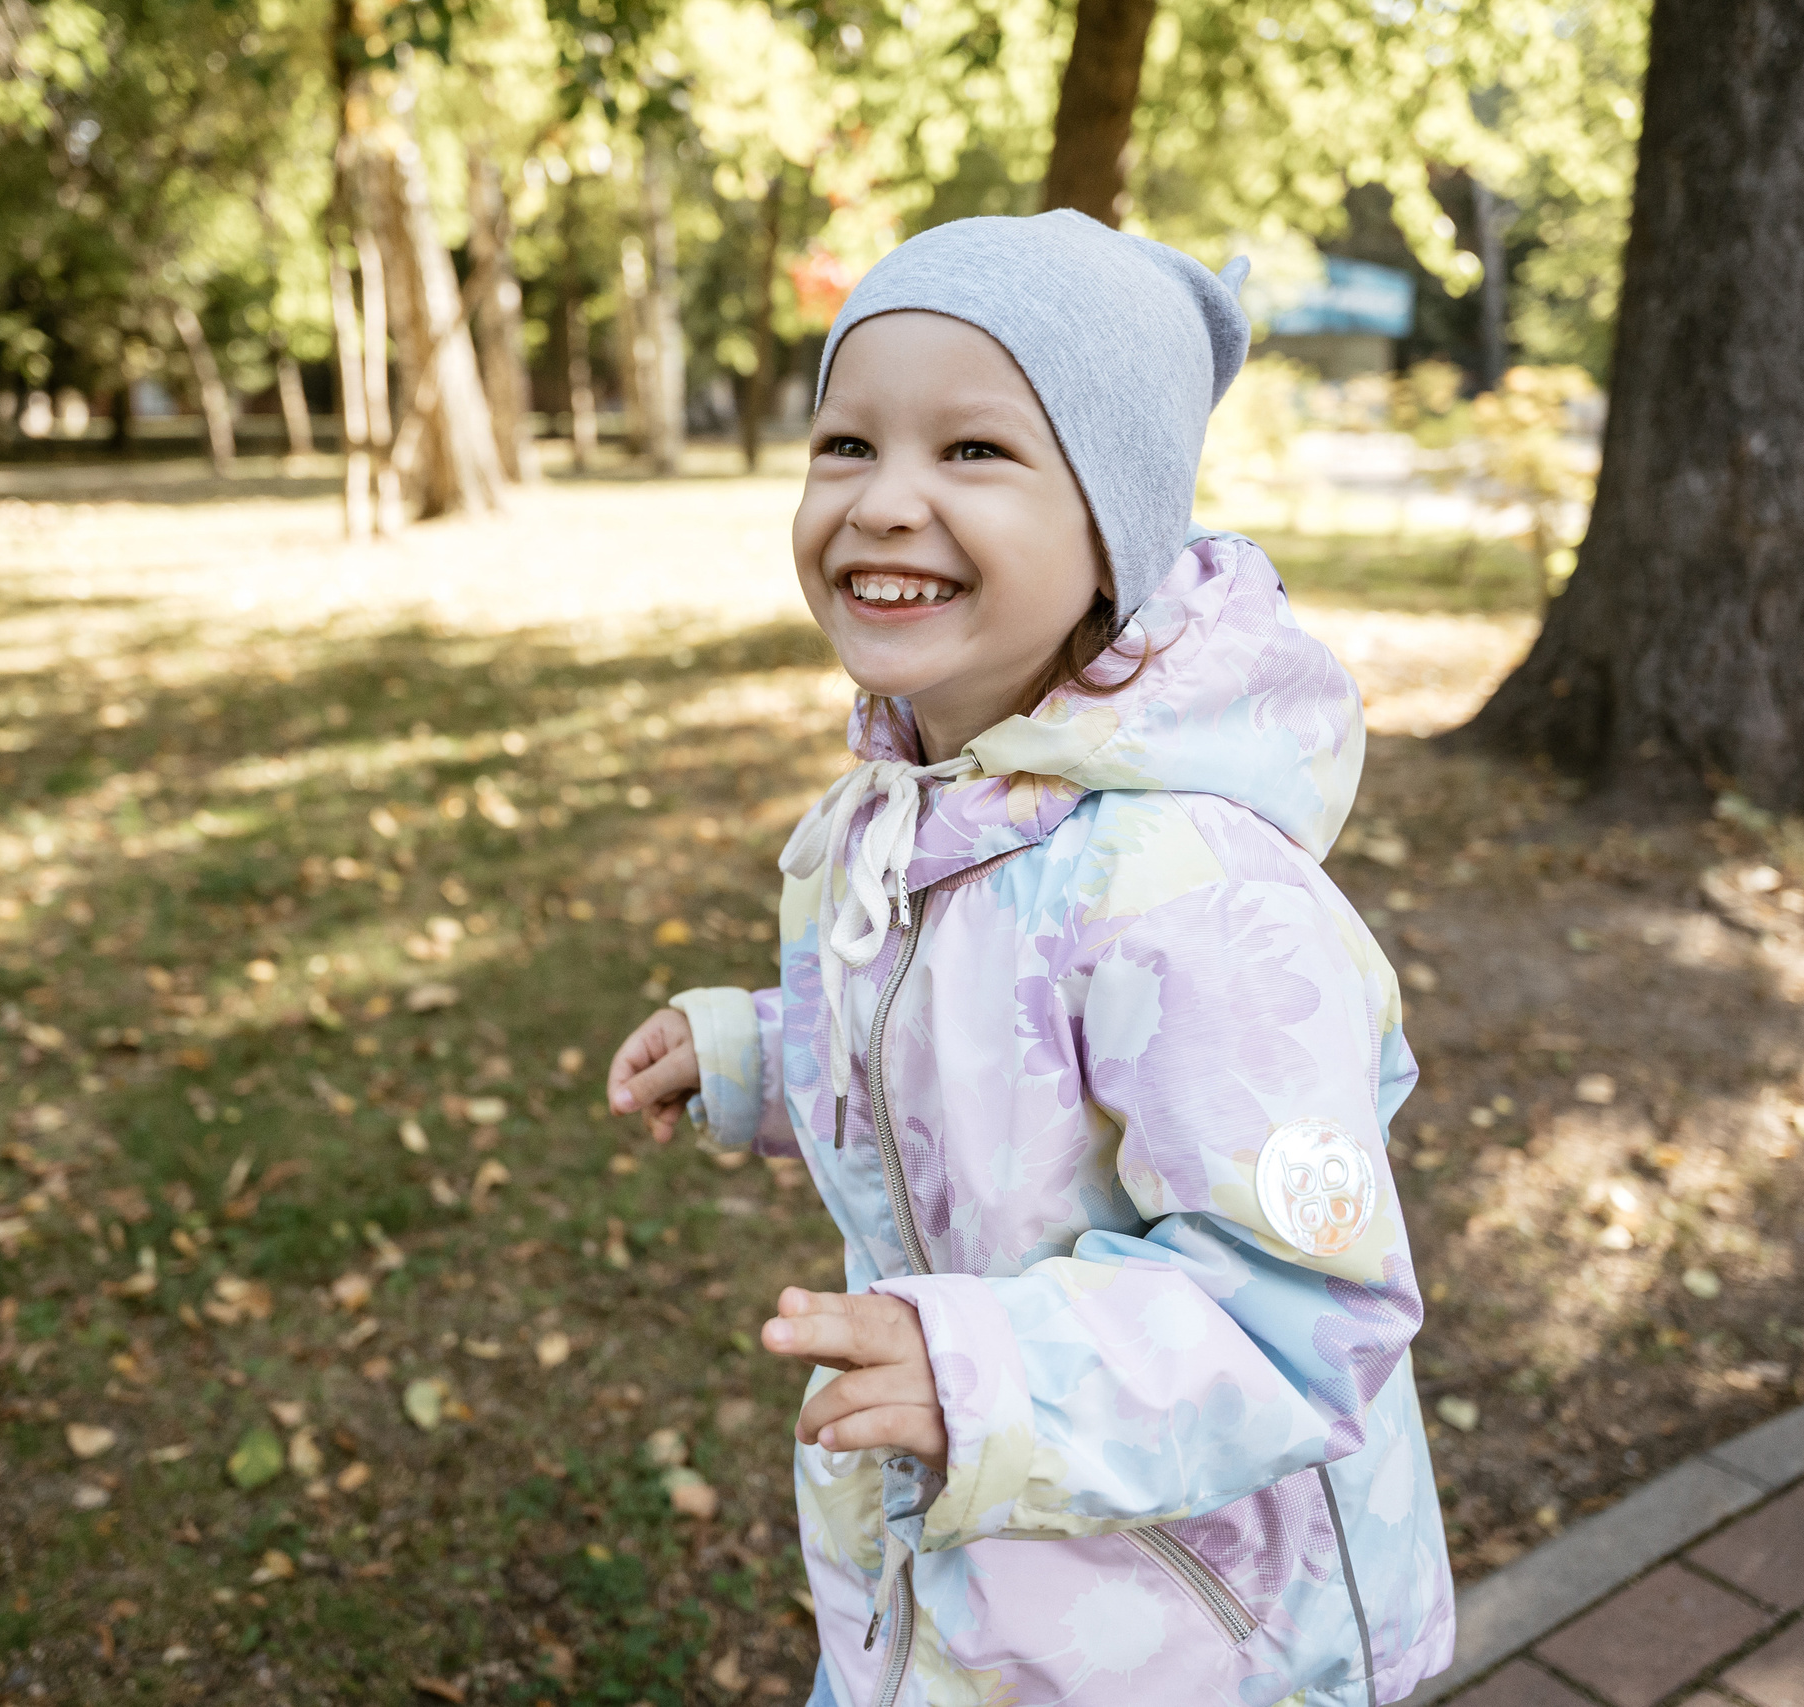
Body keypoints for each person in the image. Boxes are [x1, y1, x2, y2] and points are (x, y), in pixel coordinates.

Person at [603, 211, 1454, 1707]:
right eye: (846, 444)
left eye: (975, 453)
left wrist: (983, 1373)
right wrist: (767, 1044)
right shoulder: (919, 806)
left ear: (1112, 532)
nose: (883, 502)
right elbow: (957, 1045)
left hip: (1194, 1620)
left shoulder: (1195, 896)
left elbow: (1300, 1310)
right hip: (975, 1574)